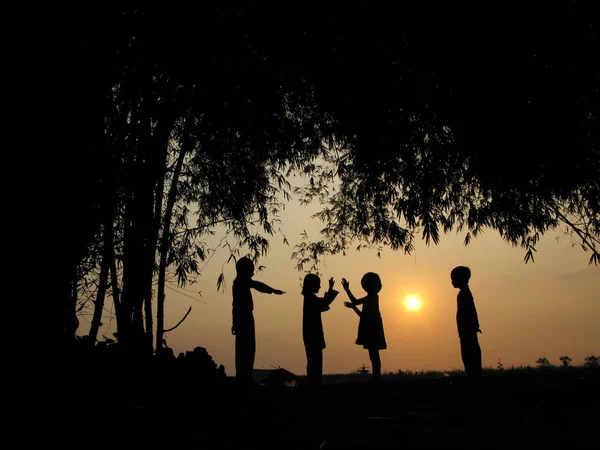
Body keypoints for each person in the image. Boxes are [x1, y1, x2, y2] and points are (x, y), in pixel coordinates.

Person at [231, 257, 285, 387]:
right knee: (246, 349)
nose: (253, 273)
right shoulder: (240, 282)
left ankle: (245, 378)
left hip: (245, 317)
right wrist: (272, 290)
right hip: (244, 318)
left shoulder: (240, 282)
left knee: (248, 349)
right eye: (251, 270)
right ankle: (244, 379)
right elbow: (257, 285)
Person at [342, 272, 387, 385]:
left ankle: (377, 378)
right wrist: (353, 308)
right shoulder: (371, 298)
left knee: (374, 355)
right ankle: (376, 378)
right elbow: (362, 315)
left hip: (372, 328)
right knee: (373, 354)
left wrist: (347, 290)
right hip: (371, 326)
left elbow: (356, 302)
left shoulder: (372, 297)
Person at [301, 273, 338, 387]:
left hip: (311, 333)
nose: (319, 287)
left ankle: (314, 382)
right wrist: (330, 289)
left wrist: (330, 289)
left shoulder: (309, 298)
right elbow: (323, 304)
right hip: (313, 333)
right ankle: (314, 383)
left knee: (314, 359)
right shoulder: (311, 298)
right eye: (318, 285)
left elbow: (323, 305)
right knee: (315, 360)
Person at [451, 265, 482, 380]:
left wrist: (473, 326)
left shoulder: (464, 294)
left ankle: (474, 377)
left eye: (453, 279)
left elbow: (469, 311)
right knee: (469, 355)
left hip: (467, 332)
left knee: (469, 355)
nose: (452, 282)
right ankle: (474, 376)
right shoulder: (465, 293)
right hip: (466, 331)